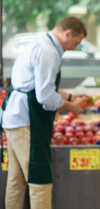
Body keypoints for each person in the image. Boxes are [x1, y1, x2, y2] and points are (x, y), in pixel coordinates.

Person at [0, 16, 88, 209]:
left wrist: (71, 96)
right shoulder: (48, 52)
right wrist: (72, 107)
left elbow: (38, 86)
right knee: (39, 179)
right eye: (77, 42)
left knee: (17, 180)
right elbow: (45, 96)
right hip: (26, 120)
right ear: (67, 34)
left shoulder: (41, 45)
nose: (75, 47)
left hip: (15, 117)